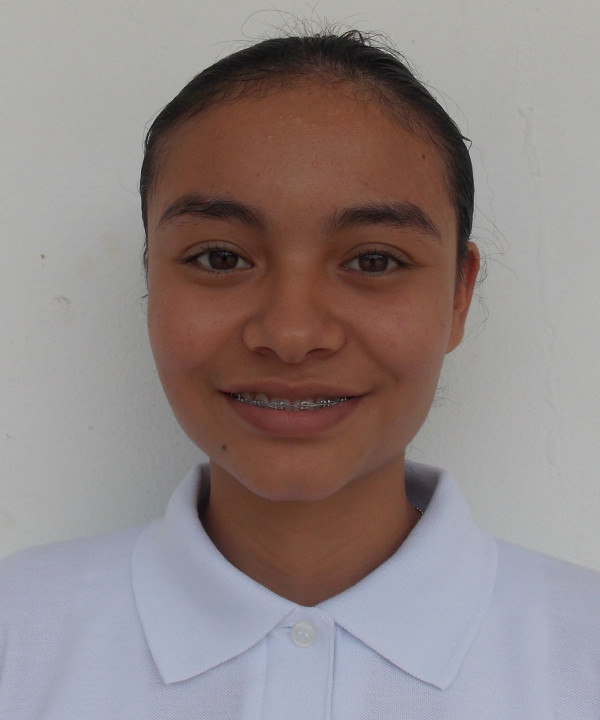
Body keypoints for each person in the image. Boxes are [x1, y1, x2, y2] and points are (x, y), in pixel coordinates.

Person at [0, 30, 598, 719]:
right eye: (221, 258)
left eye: (373, 261)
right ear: (150, 276)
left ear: (458, 296)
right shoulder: (20, 636)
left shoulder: (581, 653)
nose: (290, 336)